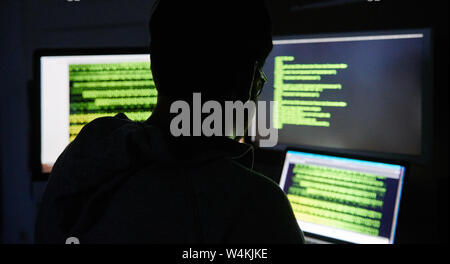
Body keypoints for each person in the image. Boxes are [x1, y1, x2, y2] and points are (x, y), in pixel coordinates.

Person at [35, 0, 304, 244]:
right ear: (247, 82)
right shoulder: (259, 207)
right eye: (259, 81)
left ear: (154, 66)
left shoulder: (80, 156)